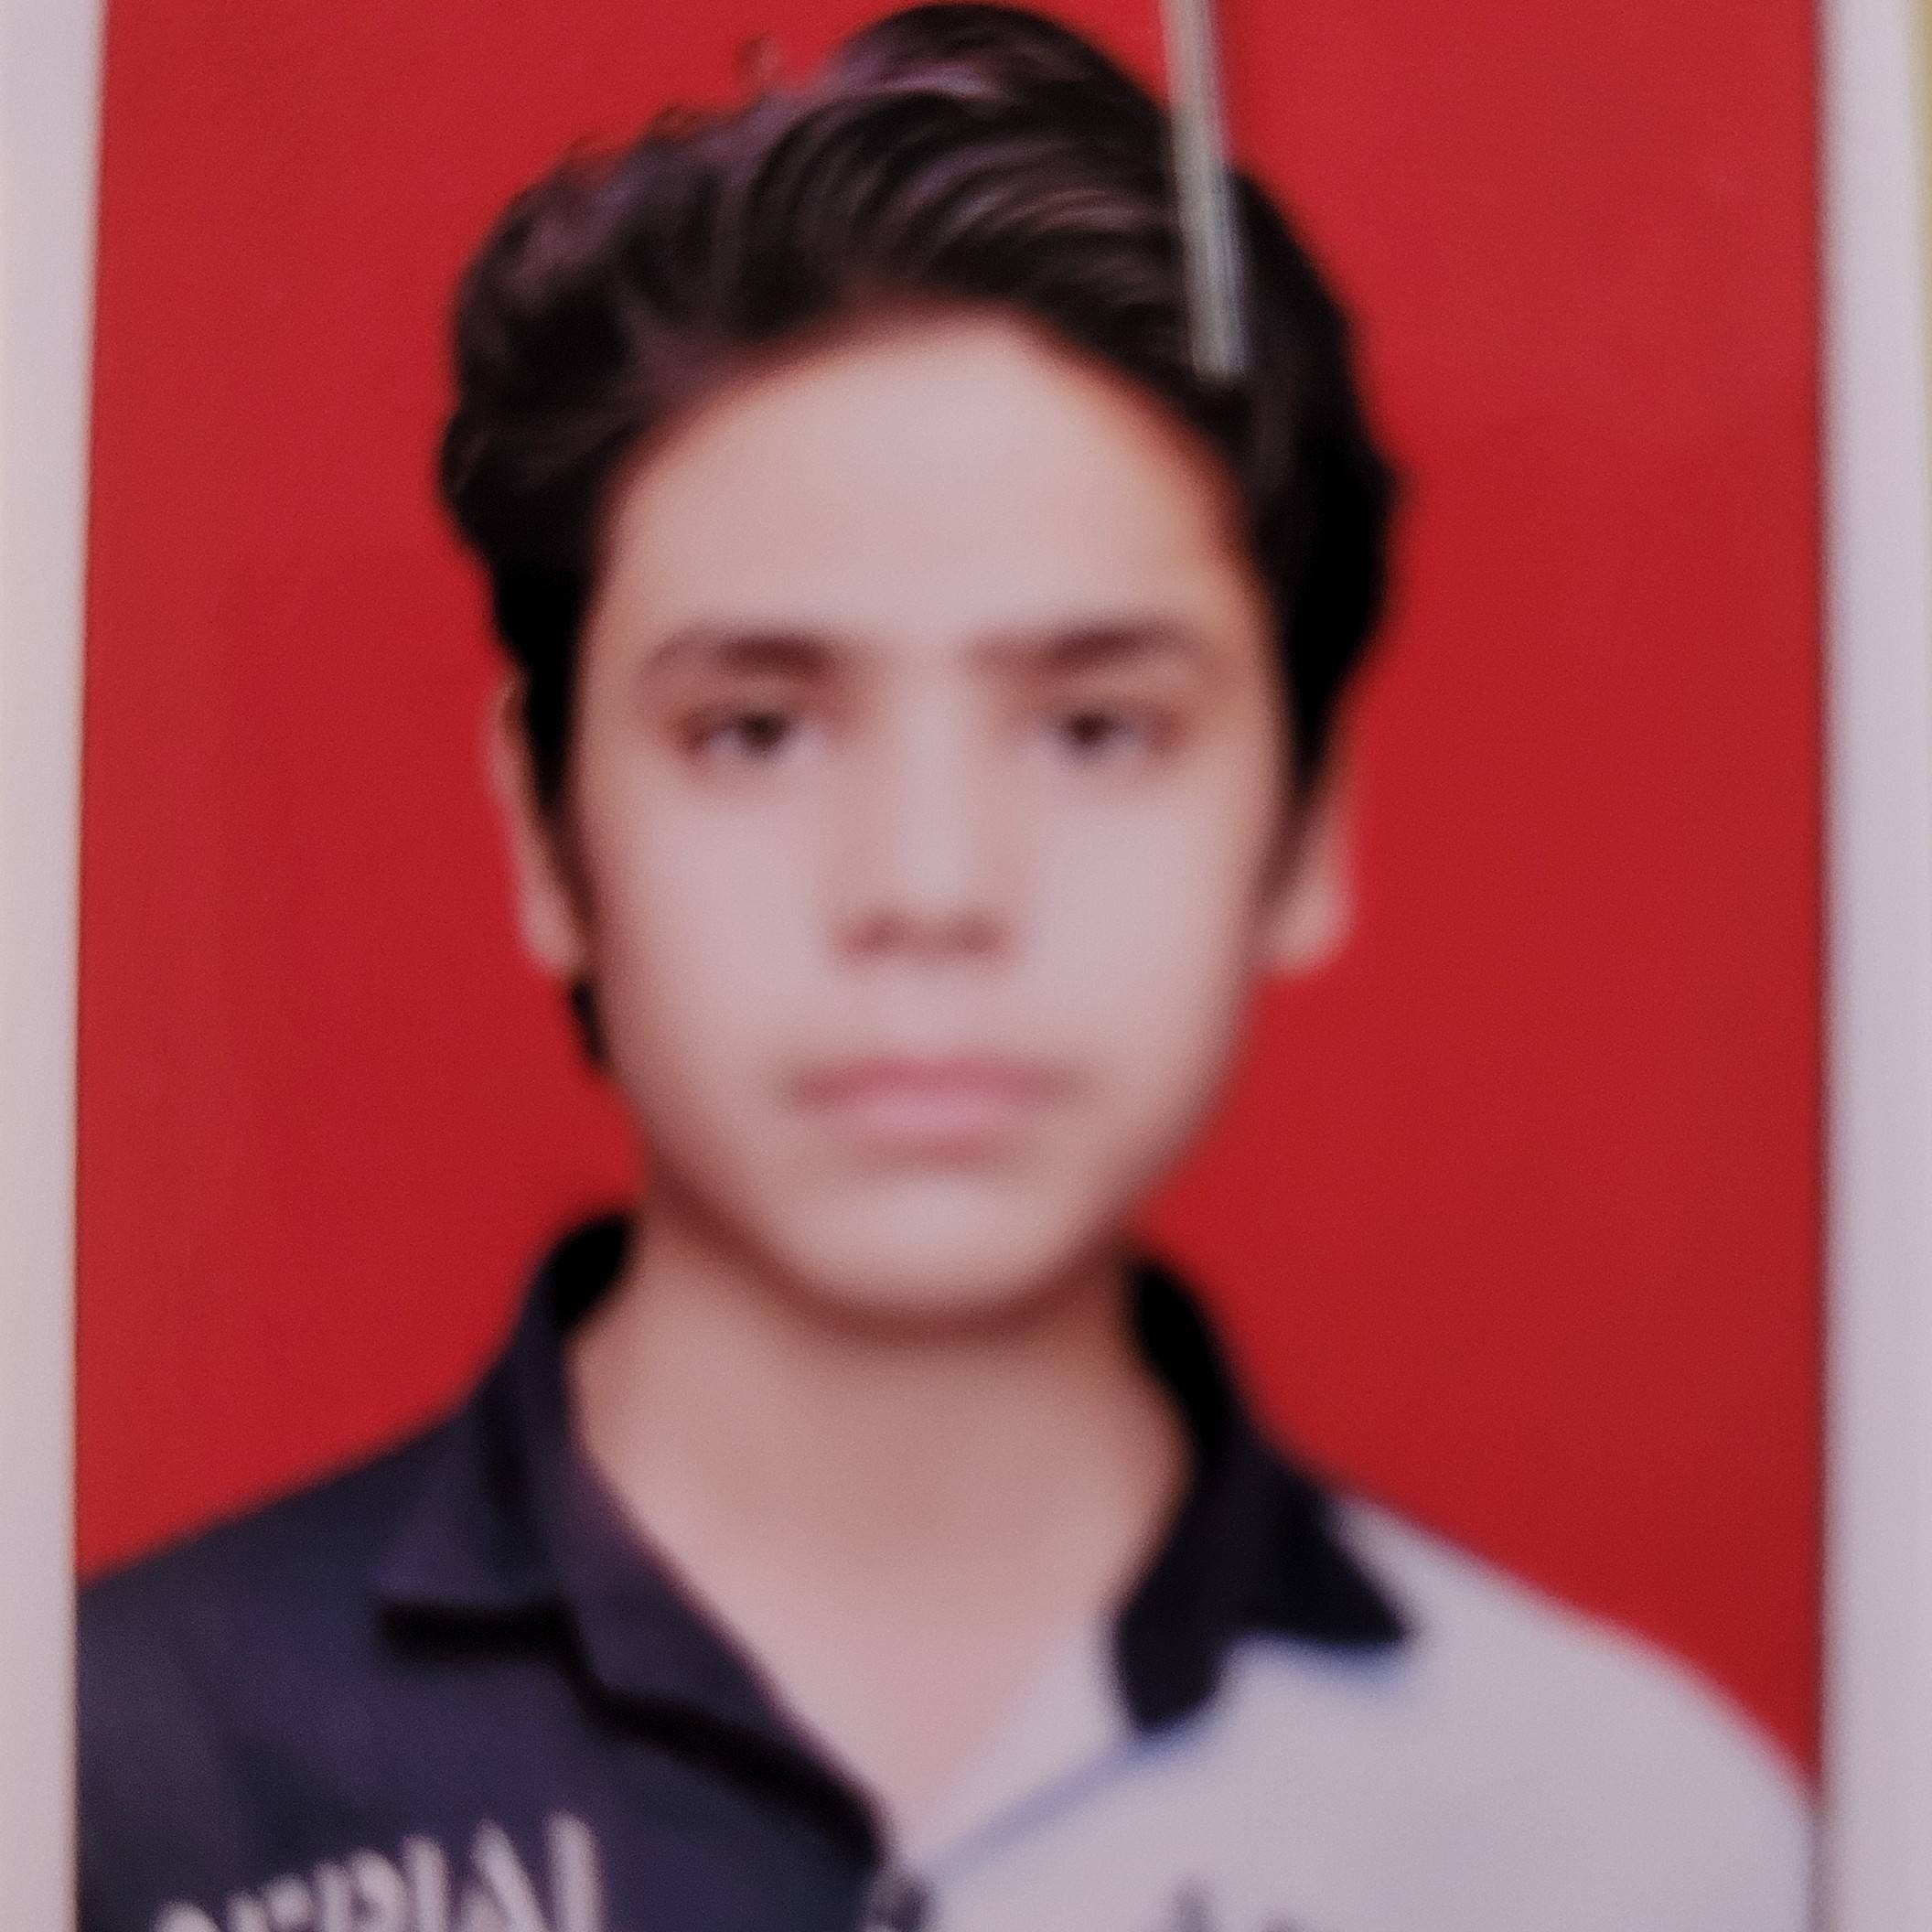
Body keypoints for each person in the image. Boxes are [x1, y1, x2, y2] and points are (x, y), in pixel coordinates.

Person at [79, 7, 1809, 1930]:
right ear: (545, 829)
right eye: (756, 730)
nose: (927, 887)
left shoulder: (1630, 1835)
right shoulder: (101, 1769)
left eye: (1096, 729)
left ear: (1306, 821)